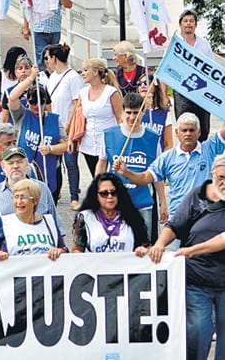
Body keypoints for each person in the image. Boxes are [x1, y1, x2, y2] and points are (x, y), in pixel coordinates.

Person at [148, 154, 225, 360]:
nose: (224, 184)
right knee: (197, 338)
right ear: (212, 175)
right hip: (197, 282)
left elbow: (223, 240)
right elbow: (174, 225)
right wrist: (159, 244)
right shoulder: (196, 195)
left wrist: (192, 250)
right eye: (221, 178)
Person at [115, 112, 225, 223]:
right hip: (178, 219)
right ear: (177, 132)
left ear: (199, 132)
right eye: (184, 130)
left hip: (205, 218)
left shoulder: (210, 148)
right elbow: (145, 177)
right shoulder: (167, 158)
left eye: (191, 130)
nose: (188, 134)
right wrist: (126, 172)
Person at [96, 92, 165, 237]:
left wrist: (163, 202)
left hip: (142, 200)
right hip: (114, 200)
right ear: (122, 112)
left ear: (143, 112)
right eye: (128, 113)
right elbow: (101, 164)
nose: (132, 117)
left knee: (142, 244)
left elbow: (157, 175)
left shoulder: (153, 138)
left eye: (136, 113)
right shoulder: (109, 135)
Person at [41, 42, 84, 209]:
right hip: (54, 124)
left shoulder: (73, 77)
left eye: (47, 58)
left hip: (69, 125)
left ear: (54, 58)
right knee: (55, 161)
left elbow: (77, 103)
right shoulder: (52, 77)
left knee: (70, 161)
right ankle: (56, 190)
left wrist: (69, 125)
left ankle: (74, 196)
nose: (46, 61)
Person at [0, 178, 66, 260]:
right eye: (16, 197)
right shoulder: (2, 224)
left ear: (35, 200)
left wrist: (59, 251)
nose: (19, 201)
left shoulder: (49, 223)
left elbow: (64, 250)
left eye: (23, 197)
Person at [0, 146, 64, 236]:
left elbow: (56, 226)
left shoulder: (42, 189)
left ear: (27, 164)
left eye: (19, 162)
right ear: (3, 166)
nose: (15, 166)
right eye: (10, 163)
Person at [72, 173, 150, 254]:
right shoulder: (85, 218)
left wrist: (144, 250)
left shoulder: (131, 216)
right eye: (104, 193)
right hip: (95, 266)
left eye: (114, 193)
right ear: (96, 196)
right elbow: (76, 249)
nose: (110, 197)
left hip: (125, 266)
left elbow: (147, 246)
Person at [76, 57, 123, 177]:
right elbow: (78, 117)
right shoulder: (83, 93)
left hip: (108, 142)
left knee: (109, 177)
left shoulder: (111, 92)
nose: (83, 73)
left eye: (86, 70)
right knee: (96, 178)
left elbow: (120, 118)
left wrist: (122, 140)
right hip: (89, 143)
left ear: (96, 72)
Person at [172, 9, 214, 141]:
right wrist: (163, 94)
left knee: (204, 127)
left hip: (202, 91)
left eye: (191, 21)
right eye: (185, 21)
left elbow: (211, 69)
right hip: (182, 91)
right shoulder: (175, 44)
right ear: (180, 25)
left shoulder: (204, 44)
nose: (188, 24)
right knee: (185, 126)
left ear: (195, 25)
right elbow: (166, 68)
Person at [22, 0, 72, 66]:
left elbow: (68, 5)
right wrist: (25, 27)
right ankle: (43, 76)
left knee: (54, 57)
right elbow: (27, 8)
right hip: (39, 29)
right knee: (42, 57)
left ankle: (52, 76)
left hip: (54, 29)